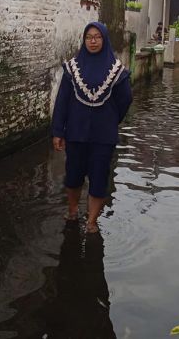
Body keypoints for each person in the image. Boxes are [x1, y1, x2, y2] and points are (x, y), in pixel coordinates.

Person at [51, 22, 133, 234]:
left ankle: (92, 221)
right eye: (89, 37)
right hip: (76, 132)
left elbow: (125, 100)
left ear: (104, 40)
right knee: (73, 175)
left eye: (97, 37)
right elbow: (62, 101)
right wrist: (58, 131)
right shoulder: (72, 68)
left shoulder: (117, 71)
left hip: (103, 136)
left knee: (98, 177)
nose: (93, 41)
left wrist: (110, 119)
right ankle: (72, 210)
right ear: (84, 40)